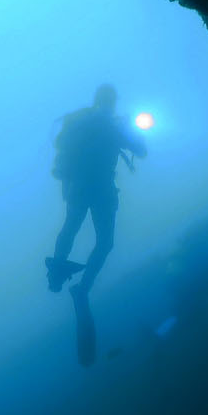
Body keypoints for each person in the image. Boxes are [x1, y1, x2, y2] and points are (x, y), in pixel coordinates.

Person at [47, 84, 147, 294]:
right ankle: (84, 287)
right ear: (112, 102)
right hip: (102, 190)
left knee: (70, 229)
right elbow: (141, 150)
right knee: (104, 242)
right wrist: (132, 128)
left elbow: (63, 148)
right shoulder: (114, 125)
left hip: (79, 187)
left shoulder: (82, 122)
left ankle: (55, 278)